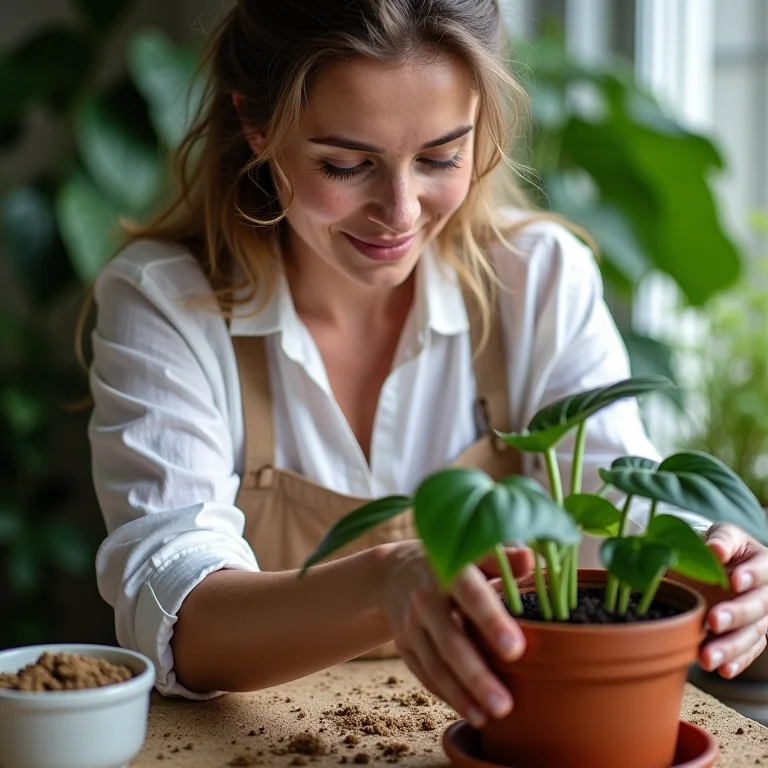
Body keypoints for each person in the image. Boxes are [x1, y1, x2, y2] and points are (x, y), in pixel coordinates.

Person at [90, 0, 768, 729]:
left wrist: (718, 567)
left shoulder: (535, 280)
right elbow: (173, 610)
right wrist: (387, 580)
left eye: (442, 157)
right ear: (257, 126)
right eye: (346, 165)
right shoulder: (166, 302)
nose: (402, 211)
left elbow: (623, 500)